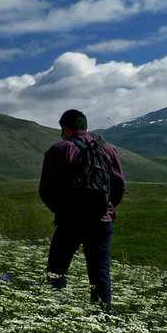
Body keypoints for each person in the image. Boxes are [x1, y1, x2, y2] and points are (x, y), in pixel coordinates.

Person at [39, 109, 125, 311]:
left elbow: (45, 190)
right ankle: (103, 318)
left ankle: (54, 312)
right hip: (101, 221)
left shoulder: (59, 149)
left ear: (66, 129)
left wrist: (60, 210)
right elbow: (119, 186)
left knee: (57, 270)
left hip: (69, 220)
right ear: (86, 127)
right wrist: (106, 208)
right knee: (100, 274)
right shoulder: (108, 150)